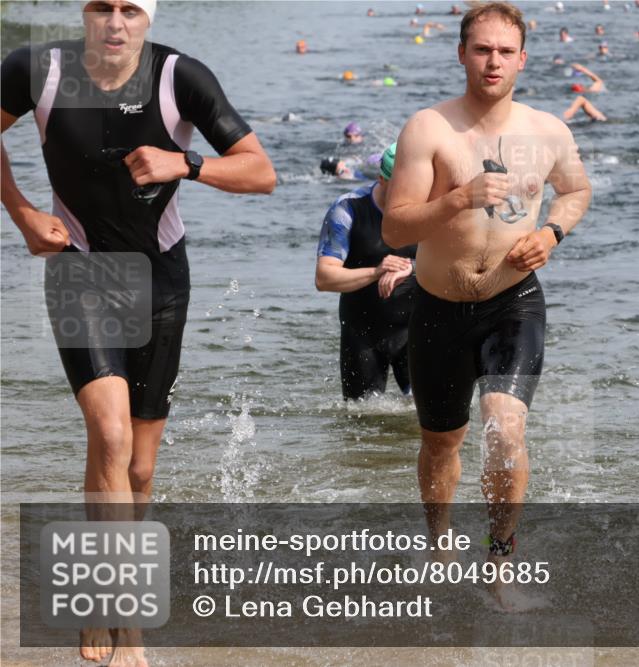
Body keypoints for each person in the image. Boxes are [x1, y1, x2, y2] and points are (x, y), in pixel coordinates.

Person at [0, 1, 275, 664]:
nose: (114, 21)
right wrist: (23, 212)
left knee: (140, 465)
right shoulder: (35, 70)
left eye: (129, 9)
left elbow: (261, 170)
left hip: (161, 282)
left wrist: (188, 163)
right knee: (111, 436)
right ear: (84, 13)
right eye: (101, 6)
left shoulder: (183, 78)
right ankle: (128, 624)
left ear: (146, 18)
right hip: (81, 271)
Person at [382, 1, 591, 609]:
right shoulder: (429, 129)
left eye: (505, 51)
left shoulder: (548, 131)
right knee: (441, 443)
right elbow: (395, 230)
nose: (493, 61)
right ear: (462, 55)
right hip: (439, 307)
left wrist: (551, 234)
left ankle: (500, 559)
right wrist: (458, 199)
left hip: (512, 302)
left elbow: (576, 191)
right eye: (482, 49)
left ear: (522, 59)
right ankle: (440, 542)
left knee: (506, 428)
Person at [316, 143, 416, 400]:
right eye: (402, 186)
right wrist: (376, 271)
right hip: (362, 332)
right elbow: (324, 278)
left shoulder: (428, 210)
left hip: (417, 328)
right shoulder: (347, 210)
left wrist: (409, 268)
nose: (411, 194)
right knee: (360, 421)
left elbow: (453, 264)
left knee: (431, 418)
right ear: (382, 179)